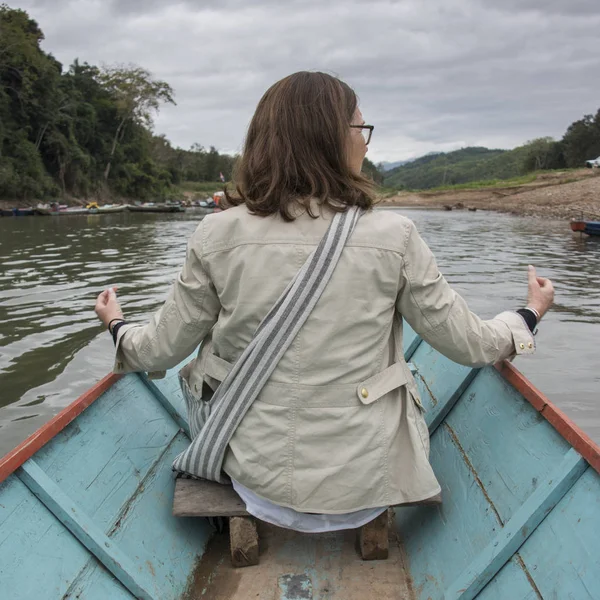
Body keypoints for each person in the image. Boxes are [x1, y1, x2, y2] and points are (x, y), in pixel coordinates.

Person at [95, 71, 554, 533]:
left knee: (206, 355)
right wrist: (527, 316)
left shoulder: (216, 234)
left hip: (258, 488)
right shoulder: (395, 236)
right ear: (331, 138)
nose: (366, 144)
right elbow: (471, 345)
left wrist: (116, 325)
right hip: (365, 490)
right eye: (360, 129)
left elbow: (160, 349)